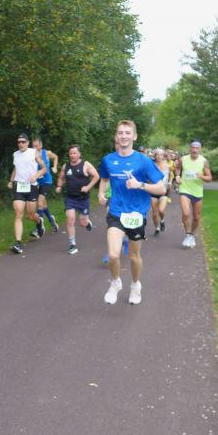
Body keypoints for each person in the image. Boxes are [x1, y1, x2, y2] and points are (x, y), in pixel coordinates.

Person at [98, 120, 165, 305]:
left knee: (134, 257)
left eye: (128, 133)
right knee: (113, 255)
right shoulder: (108, 160)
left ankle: (135, 285)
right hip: (116, 211)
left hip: (136, 214)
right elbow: (104, 178)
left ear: (134, 136)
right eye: (120, 132)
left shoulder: (143, 161)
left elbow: (161, 188)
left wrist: (140, 185)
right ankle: (115, 282)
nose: (124, 136)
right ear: (116, 136)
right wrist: (101, 193)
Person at [54, 144, 99, 254]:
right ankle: (72, 245)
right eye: (70, 153)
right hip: (70, 198)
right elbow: (61, 177)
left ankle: (87, 223)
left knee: (82, 222)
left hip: (83, 199)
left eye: (74, 153)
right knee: (70, 219)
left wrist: (88, 187)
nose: (72, 155)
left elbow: (96, 176)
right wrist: (59, 186)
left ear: (79, 154)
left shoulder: (86, 164)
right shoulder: (66, 166)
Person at [7, 133, 47, 254]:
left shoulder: (34, 153)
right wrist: (11, 181)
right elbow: (16, 168)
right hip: (19, 186)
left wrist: (36, 175)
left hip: (31, 187)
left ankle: (39, 222)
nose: (21, 144)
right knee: (18, 213)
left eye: (23, 142)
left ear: (28, 142)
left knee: (31, 215)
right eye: (19, 142)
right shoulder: (15, 154)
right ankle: (18, 244)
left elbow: (44, 168)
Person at [175, 140, 212, 248]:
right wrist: (177, 176)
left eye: (197, 148)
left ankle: (192, 235)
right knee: (186, 214)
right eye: (193, 148)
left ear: (200, 149)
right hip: (185, 189)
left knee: (196, 217)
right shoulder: (183, 159)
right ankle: (187, 234)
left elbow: (209, 178)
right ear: (190, 148)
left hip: (197, 191)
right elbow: (177, 168)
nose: (195, 150)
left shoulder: (204, 161)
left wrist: (201, 176)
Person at [31, 137, 59, 234]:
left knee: (39, 202)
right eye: (33, 146)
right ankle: (52, 221)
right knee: (43, 204)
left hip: (46, 181)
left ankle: (38, 229)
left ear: (41, 145)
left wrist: (55, 167)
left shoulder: (46, 153)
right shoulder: (30, 155)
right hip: (36, 182)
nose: (35, 148)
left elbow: (56, 157)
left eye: (37, 146)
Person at [149, 148, 170, 237]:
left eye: (161, 155)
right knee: (154, 214)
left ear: (163, 156)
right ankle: (157, 228)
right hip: (153, 191)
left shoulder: (167, 166)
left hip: (163, 191)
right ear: (155, 156)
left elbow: (169, 176)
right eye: (157, 155)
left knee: (161, 210)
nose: (159, 156)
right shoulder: (151, 166)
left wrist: (169, 182)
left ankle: (162, 220)